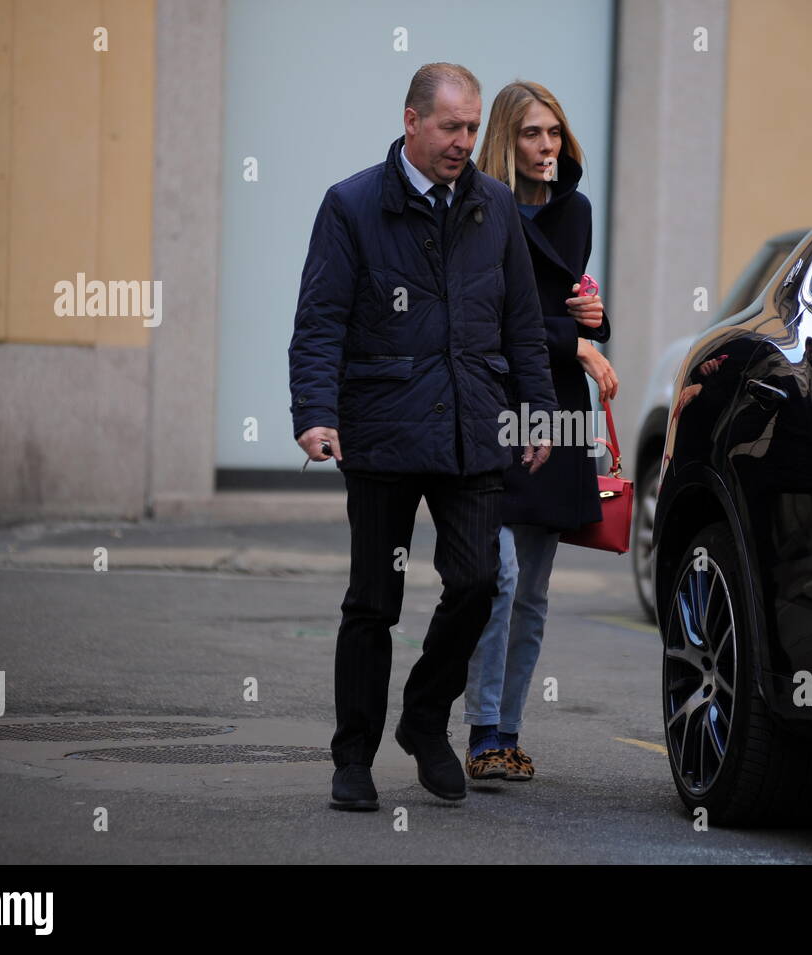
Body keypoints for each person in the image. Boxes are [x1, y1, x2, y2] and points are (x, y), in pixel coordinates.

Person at [289, 63, 557, 811]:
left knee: (479, 581)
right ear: (411, 122)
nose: (464, 142)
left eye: (472, 128)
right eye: (450, 127)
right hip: (379, 427)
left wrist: (535, 406)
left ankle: (424, 717)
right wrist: (315, 410)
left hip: (472, 426)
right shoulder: (351, 206)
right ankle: (353, 759)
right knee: (374, 600)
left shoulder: (494, 206)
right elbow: (320, 320)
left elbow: (523, 323)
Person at [461, 80, 618, 782]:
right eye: (531, 133)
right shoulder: (482, 210)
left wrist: (593, 322)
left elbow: (565, 306)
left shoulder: (574, 210)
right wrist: (576, 343)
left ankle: (510, 730)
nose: (546, 145)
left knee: (534, 589)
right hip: (500, 405)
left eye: (554, 132)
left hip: (556, 408)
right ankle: (480, 726)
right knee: (499, 576)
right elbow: (491, 318)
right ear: (507, 139)